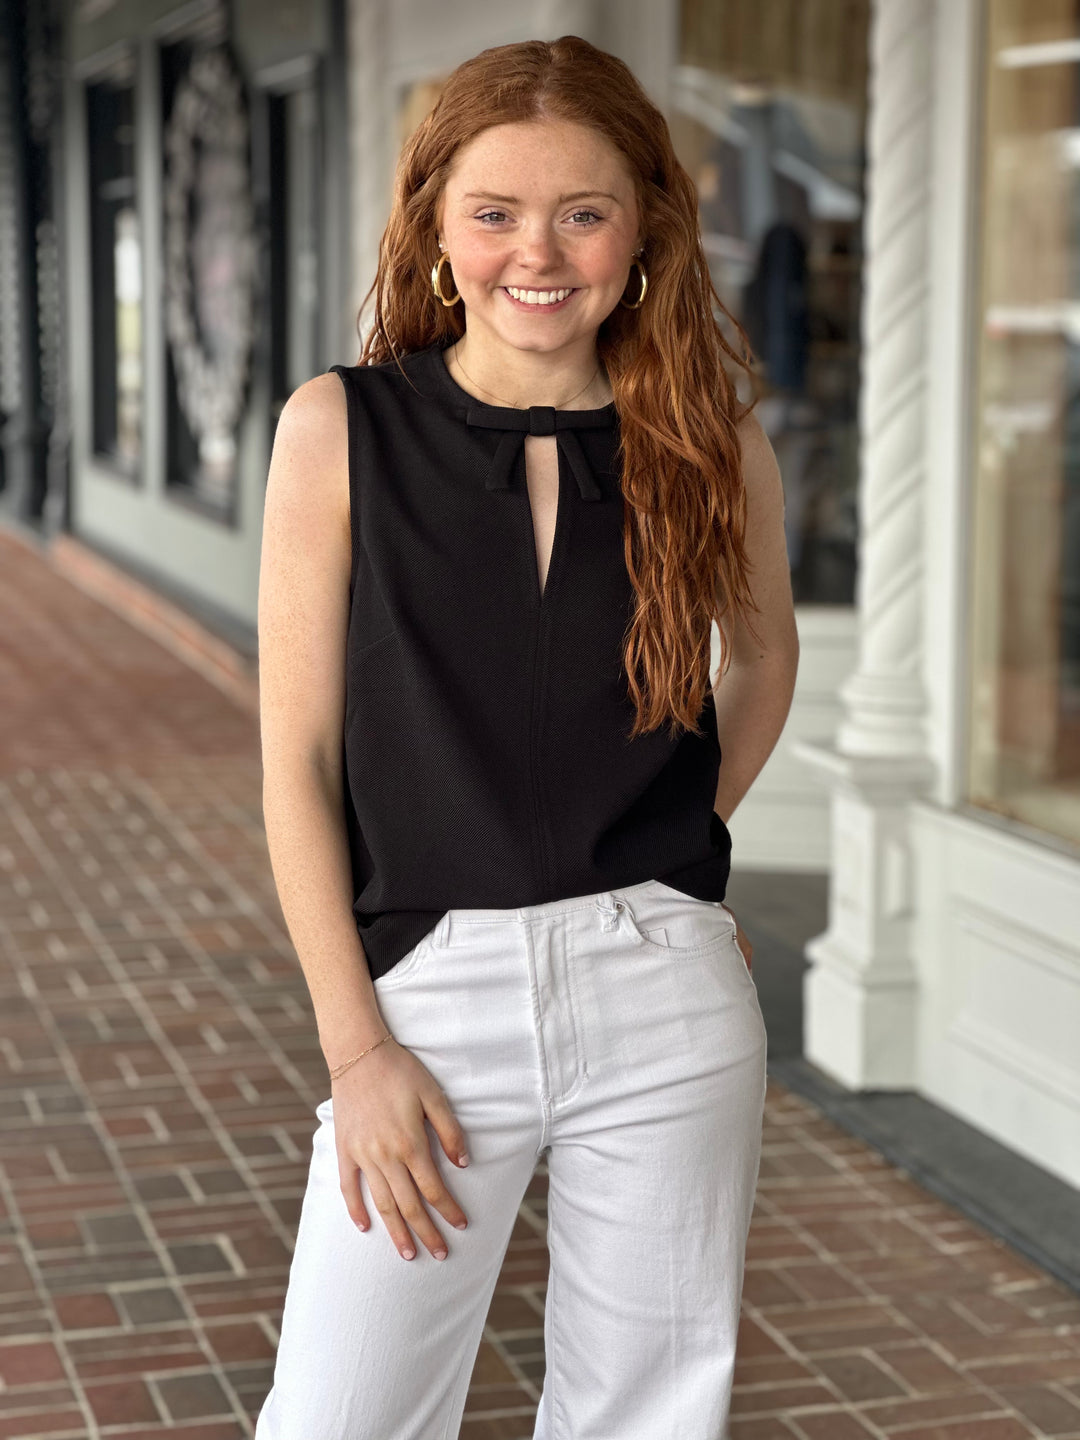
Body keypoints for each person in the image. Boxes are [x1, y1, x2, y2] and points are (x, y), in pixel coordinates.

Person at [254, 34, 798, 1440]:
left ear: (644, 228)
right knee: (338, 1419)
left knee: (645, 1417)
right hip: (426, 1004)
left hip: (665, 990)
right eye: (494, 211)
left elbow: (768, 657)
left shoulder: (710, 440)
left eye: (584, 210)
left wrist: (679, 851)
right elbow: (299, 763)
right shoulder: (340, 431)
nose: (535, 252)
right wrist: (354, 1049)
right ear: (439, 224)